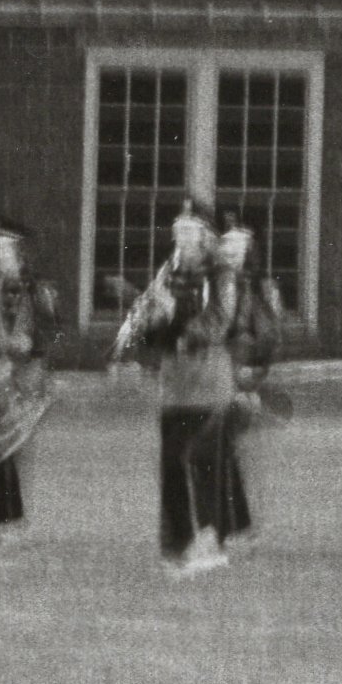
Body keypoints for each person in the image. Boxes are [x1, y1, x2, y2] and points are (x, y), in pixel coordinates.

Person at [115, 199, 241, 578]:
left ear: (205, 236)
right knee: (171, 462)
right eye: (177, 229)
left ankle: (210, 541)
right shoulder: (167, 271)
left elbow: (218, 322)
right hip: (174, 385)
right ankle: (178, 543)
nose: (180, 236)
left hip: (207, 383)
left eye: (188, 230)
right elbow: (155, 315)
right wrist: (143, 324)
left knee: (202, 462)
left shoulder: (220, 274)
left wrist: (175, 322)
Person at [0, 222, 60, 547]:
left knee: (7, 447)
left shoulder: (29, 289)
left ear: (11, 251)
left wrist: (5, 359)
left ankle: (11, 519)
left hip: (18, 376)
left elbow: (26, 343)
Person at [212, 218, 285, 549]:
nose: (226, 249)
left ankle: (239, 526)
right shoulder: (213, 285)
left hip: (242, 379)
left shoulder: (261, 291)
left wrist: (251, 375)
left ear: (248, 253)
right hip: (215, 378)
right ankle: (233, 525)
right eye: (225, 243)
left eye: (234, 245)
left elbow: (270, 337)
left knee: (235, 453)